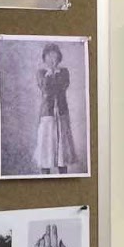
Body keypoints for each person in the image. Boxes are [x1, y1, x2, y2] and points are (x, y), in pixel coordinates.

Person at [33, 42, 78, 174]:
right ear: (44, 58)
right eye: (49, 56)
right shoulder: (41, 73)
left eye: (54, 56)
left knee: (62, 149)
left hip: (62, 114)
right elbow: (45, 90)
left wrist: (55, 74)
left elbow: (63, 87)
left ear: (59, 57)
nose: (52, 59)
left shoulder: (64, 72)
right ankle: (45, 177)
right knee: (46, 147)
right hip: (47, 114)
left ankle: (63, 177)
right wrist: (50, 74)